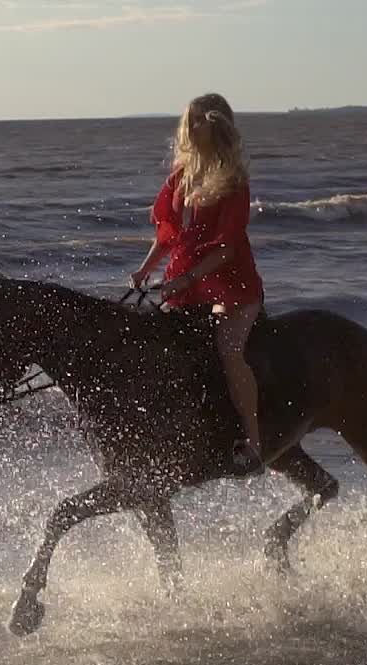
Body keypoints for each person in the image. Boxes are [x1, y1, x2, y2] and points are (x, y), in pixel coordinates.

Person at [130, 92, 265, 475]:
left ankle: (252, 444)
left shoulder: (233, 182)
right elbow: (167, 235)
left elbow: (226, 248)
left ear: (216, 126)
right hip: (186, 284)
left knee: (228, 349)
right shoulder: (180, 177)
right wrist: (145, 271)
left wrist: (188, 276)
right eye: (187, 122)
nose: (189, 129)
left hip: (232, 286)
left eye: (197, 121)